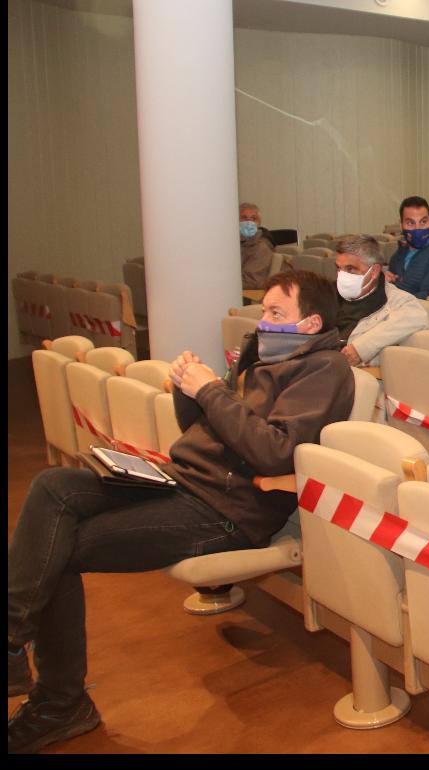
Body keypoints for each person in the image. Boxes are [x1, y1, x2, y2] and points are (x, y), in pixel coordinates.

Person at [7, 270, 355, 754]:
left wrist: (210, 389)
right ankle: (17, 647)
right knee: (53, 486)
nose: (265, 321)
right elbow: (205, 431)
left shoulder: (324, 370)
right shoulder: (265, 357)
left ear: (311, 322)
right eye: (264, 311)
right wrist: (187, 391)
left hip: (226, 510)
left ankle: (59, 703)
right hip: (187, 482)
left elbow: (274, 452)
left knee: (59, 550)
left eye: (278, 314)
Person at [333, 235, 429, 368]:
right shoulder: (329, 293)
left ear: (374, 271)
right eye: (338, 268)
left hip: (361, 377)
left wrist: (360, 349)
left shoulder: (397, 301)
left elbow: (417, 316)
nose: (342, 275)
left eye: (351, 269)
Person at [239, 202, 275, 290]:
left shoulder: (262, 247)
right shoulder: (233, 244)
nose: (249, 222)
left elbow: (252, 281)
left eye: (253, 218)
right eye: (244, 218)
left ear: (259, 223)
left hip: (247, 295)